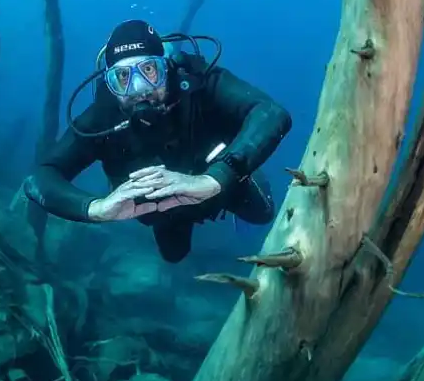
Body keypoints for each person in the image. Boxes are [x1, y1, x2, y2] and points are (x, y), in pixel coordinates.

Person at [22, 19, 292, 263]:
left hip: (224, 181)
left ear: (167, 68)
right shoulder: (102, 117)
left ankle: (243, 175)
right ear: (109, 83)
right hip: (163, 210)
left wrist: (215, 179)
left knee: (263, 213)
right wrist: (97, 209)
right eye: (123, 77)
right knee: (173, 256)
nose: (139, 89)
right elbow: (40, 178)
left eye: (149, 70)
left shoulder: (198, 84)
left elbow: (270, 113)